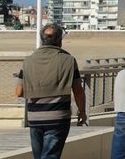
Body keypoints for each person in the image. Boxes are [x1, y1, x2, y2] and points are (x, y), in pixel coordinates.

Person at [16, 24, 87, 159]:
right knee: (50, 156)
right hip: (58, 118)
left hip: (34, 118)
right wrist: (82, 112)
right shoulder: (69, 61)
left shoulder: (28, 61)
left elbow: (19, 91)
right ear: (60, 41)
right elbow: (78, 91)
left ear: (42, 40)